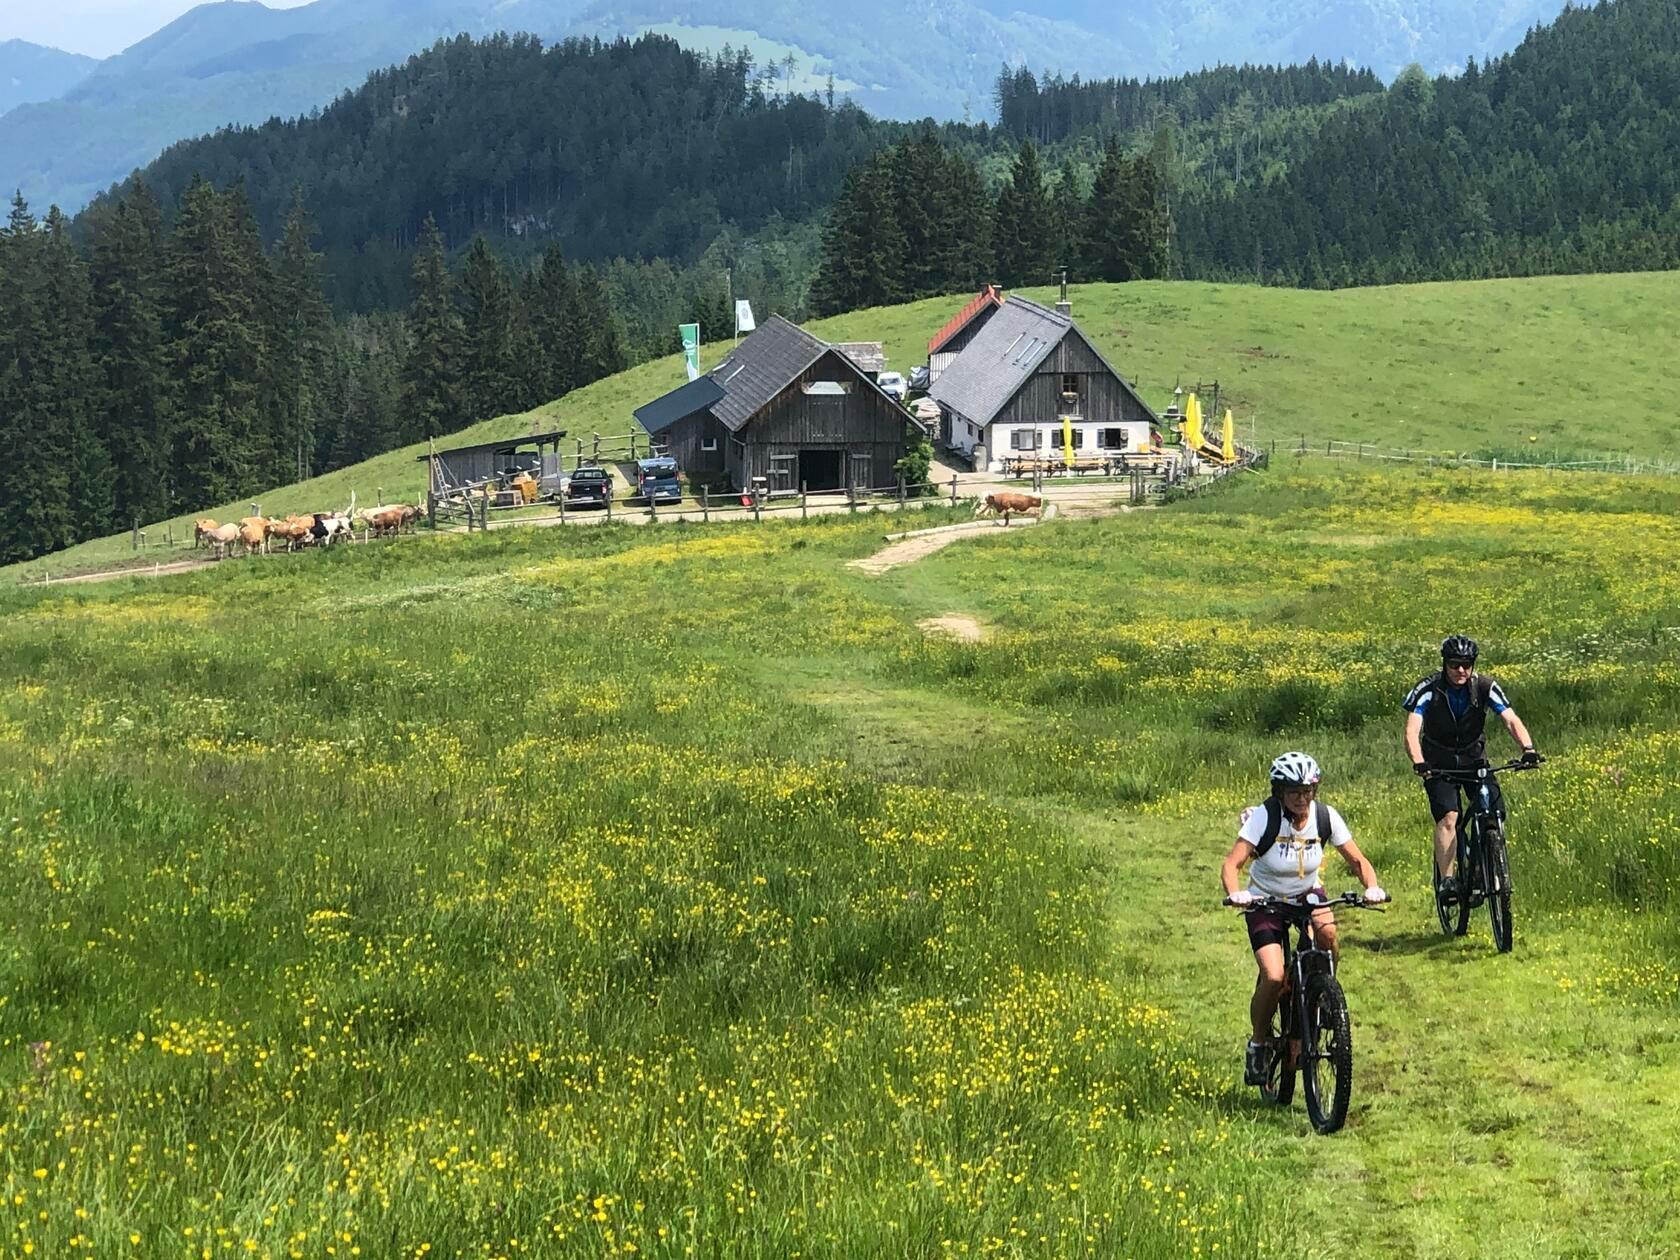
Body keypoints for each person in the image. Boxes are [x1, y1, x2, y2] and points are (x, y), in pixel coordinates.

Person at [1220, 752, 1388, 1086]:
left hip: (1307, 893)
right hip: (1265, 899)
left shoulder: (1325, 816)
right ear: (1279, 792)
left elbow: (1357, 860)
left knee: (1328, 933)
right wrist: (1236, 892)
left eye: (1308, 790)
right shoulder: (1264, 817)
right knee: (1272, 976)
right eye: (1294, 791)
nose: (1302, 798)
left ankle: (1324, 994)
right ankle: (1258, 1043)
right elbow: (1231, 864)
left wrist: (1372, 887)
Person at [1403, 635, 1542, 900]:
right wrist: (1419, 761)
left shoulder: (1484, 687)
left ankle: (1484, 865)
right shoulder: (1429, 688)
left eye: (1466, 664)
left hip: (1473, 760)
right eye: (1454, 664)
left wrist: (1528, 749)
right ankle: (1447, 880)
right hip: (1438, 764)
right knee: (1449, 817)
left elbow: (1510, 719)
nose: (1461, 670)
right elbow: (1412, 730)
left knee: (1493, 811)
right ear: (1445, 664)